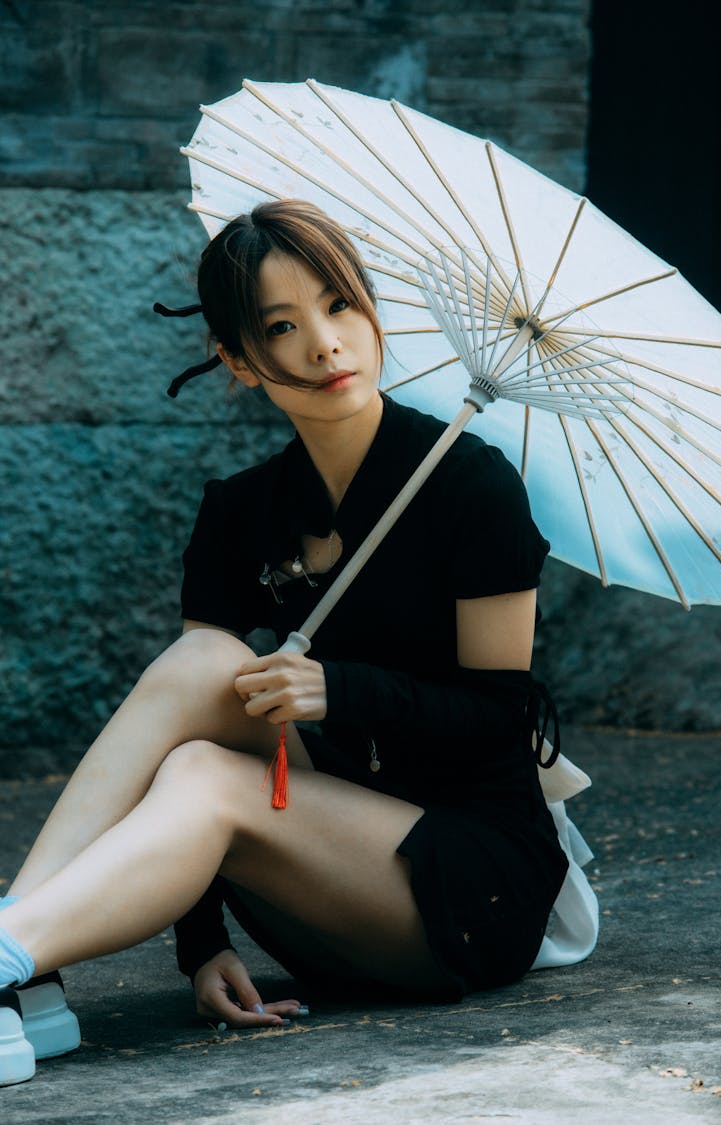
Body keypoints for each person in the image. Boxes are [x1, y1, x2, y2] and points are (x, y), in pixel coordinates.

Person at [0, 199, 569, 1088]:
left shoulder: (471, 487)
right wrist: (200, 945)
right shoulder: (243, 511)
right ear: (237, 360)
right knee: (204, 679)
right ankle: (21, 954)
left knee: (215, 779)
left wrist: (339, 689)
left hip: (466, 879)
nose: (326, 343)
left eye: (341, 304)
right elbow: (183, 736)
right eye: (282, 325)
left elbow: (499, 723)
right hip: (317, 870)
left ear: (372, 311)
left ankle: (10, 957)